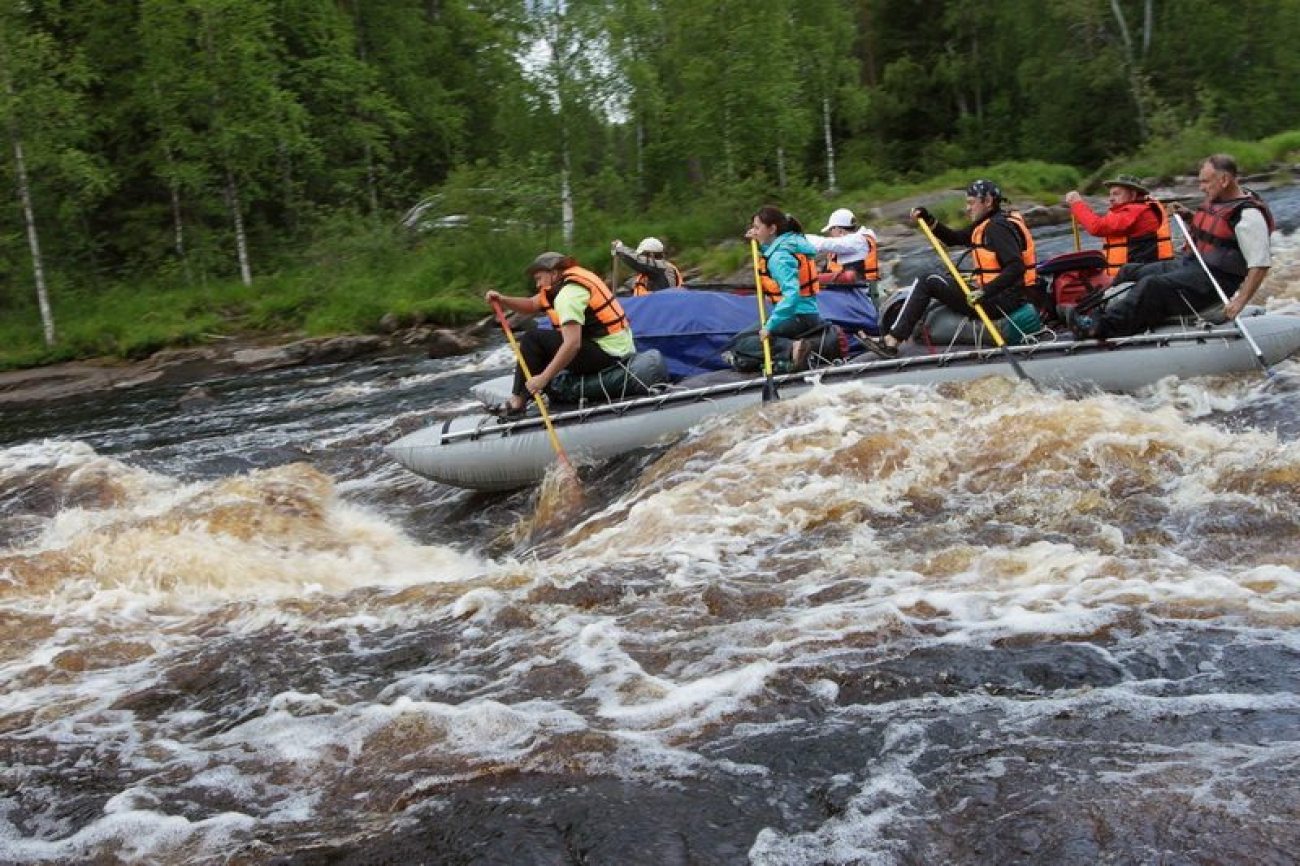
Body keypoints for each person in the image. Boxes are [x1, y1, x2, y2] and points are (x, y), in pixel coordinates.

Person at [1079, 154, 1274, 340]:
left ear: (1224, 180)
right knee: (1129, 270)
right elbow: (1214, 237)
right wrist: (1189, 217)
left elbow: (1260, 264)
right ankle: (1092, 312)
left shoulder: (1249, 216)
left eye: (1205, 182)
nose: (1201, 187)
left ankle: (1100, 328)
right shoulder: (1220, 200)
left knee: (1153, 286)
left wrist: (1239, 302)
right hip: (1191, 264)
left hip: (1212, 282)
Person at [861, 179, 1037, 358]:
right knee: (940, 279)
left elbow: (1016, 267)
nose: (968, 208)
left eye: (971, 203)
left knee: (928, 280)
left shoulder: (997, 227)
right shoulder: (988, 223)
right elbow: (954, 238)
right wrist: (929, 220)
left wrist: (984, 291)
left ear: (988, 201)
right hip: (999, 297)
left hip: (999, 302)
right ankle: (896, 337)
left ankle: (892, 341)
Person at [485, 251, 636, 415]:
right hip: (614, 347)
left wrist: (543, 378)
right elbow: (530, 304)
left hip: (609, 354)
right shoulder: (567, 283)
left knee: (532, 339)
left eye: (539, 279)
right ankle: (524, 393)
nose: (537, 285)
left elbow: (572, 344)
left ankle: (518, 401)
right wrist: (503, 300)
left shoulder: (568, 295)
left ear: (554, 273)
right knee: (540, 339)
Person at [727, 206, 823, 371]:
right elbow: (771, 251)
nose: (754, 231)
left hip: (797, 315)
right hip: (806, 313)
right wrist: (758, 242)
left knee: (741, 342)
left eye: (757, 228)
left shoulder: (779, 257)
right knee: (744, 339)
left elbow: (792, 295)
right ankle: (784, 361)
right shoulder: (791, 243)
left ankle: (792, 349)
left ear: (772, 229)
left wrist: (769, 326)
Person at [1064, 174, 1173, 277]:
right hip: (1138, 271)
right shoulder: (1139, 209)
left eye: (1116, 194)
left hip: (1137, 274)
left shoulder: (1134, 211)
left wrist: (1076, 203)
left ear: (1133, 194)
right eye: (1110, 194)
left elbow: (1096, 227)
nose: (1110, 198)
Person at [805, 207, 880, 285]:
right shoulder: (846, 246)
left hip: (859, 293)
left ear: (839, 230)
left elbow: (824, 243)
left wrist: (799, 238)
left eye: (831, 230)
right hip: (844, 291)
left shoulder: (858, 241)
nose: (830, 234)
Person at [611, 237, 683, 295]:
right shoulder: (647, 275)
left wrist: (620, 248)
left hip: (664, 309)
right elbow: (628, 287)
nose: (641, 257)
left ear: (651, 255)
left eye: (642, 255)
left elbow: (637, 261)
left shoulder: (663, 268)